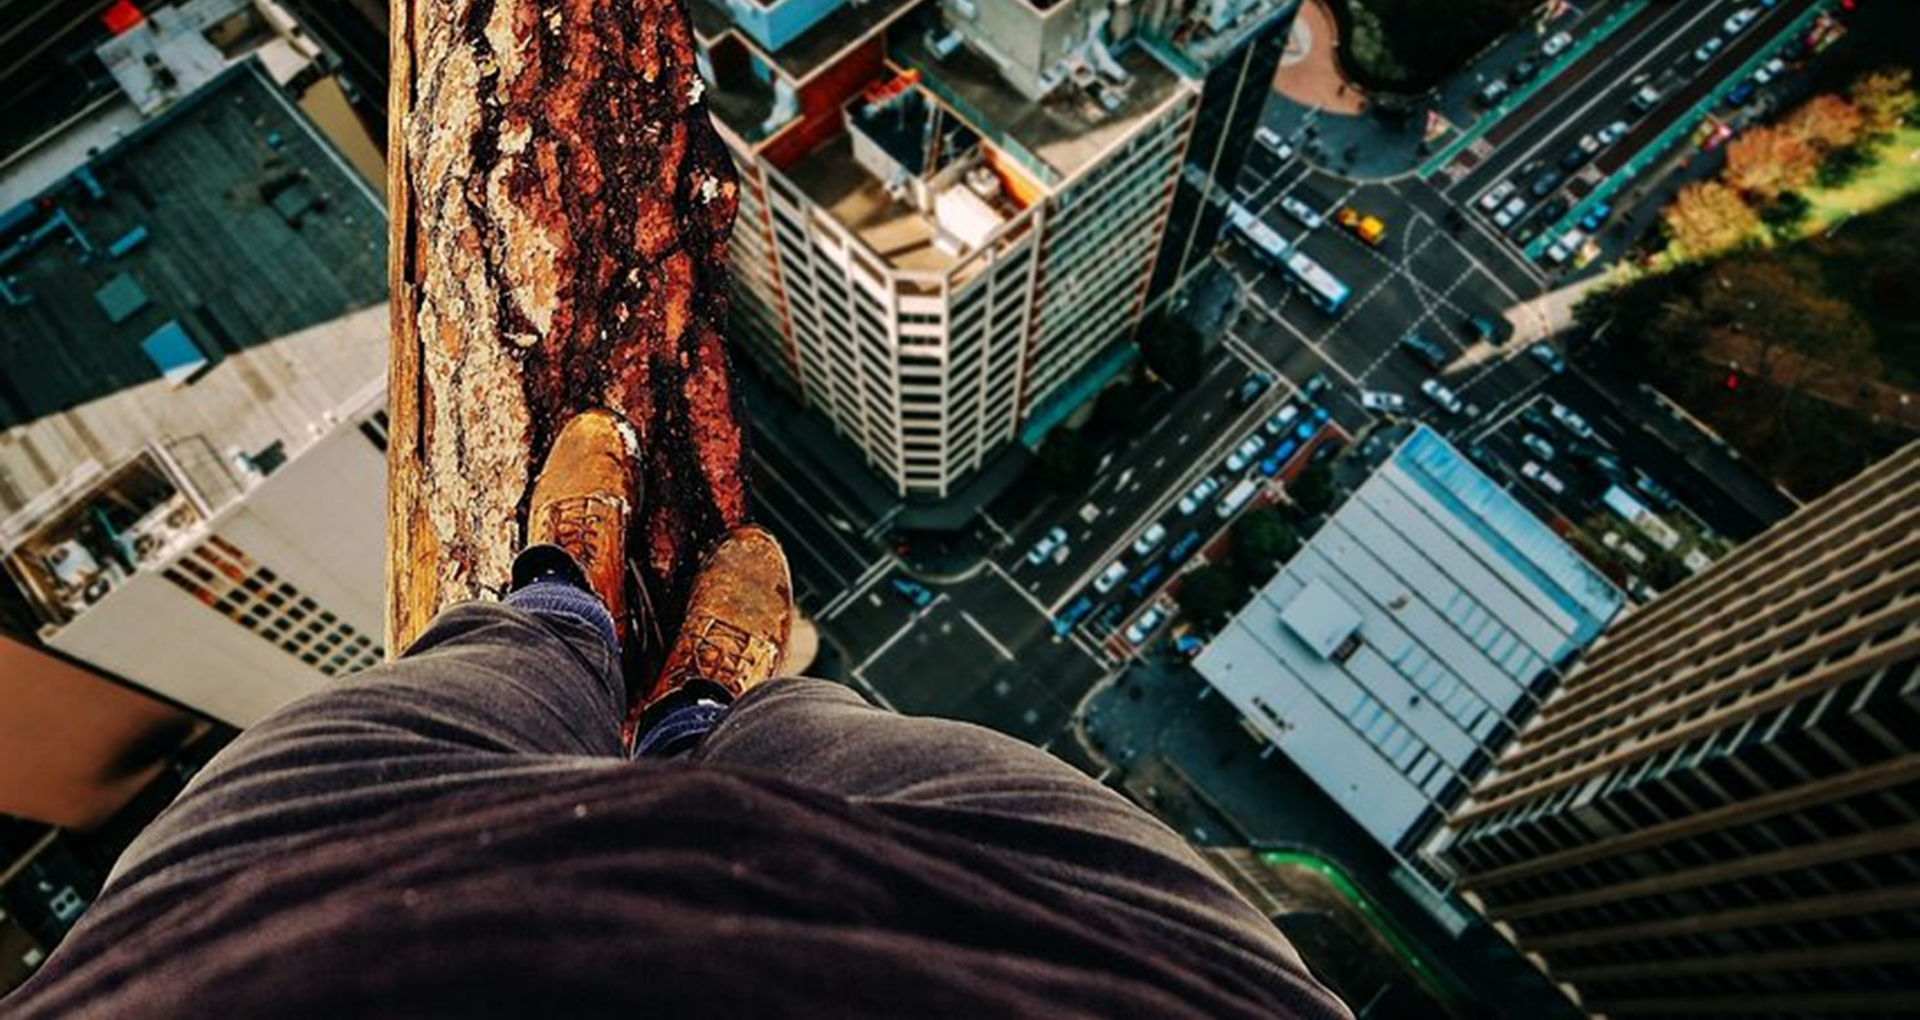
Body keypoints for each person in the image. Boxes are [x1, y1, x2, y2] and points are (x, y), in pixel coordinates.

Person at [8, 411, 1351, 1018]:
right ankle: (702, 718)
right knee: (852, 751)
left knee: (400, 722)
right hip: (1118, 978)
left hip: (243, 961)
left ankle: (561, 617)